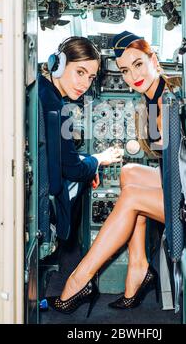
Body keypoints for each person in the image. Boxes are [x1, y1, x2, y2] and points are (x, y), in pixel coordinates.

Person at [47, 31, 181, 317]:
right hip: (181, 180)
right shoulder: (151, 99)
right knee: (129, 172)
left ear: (153, 60)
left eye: (138, 64)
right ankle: (138, 268)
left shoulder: (175, 95)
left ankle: (78, 281)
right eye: (124, 70)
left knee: (131, 196)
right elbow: (165, 157)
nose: (132, 76)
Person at [39, 36, 123, 241]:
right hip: (49, 190)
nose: (85, 84)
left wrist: (89, 161)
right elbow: (74, 170)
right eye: (80, 72)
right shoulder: (57, 108)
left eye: (91, 77)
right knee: (82, 180)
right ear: (57, 65)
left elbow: (60, 153)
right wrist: (98, 160)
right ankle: (67, 244)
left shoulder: (40, 90)